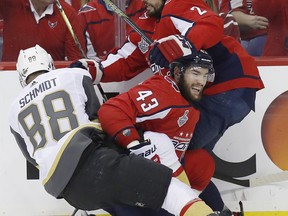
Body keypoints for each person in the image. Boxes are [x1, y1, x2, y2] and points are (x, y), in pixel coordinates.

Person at [9, 45, 222, 216]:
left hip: (67, 190)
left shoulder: (13, 111)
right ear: (50, 65)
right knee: (167, 188)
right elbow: (99, 115)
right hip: (93, 162)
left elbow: (32, 158)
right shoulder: (71, 75)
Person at [98, 49, 229, 216]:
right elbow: (111, 109)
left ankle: (218, 211)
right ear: (177, 72)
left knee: (201, 163)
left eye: (205, 75)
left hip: (160, 170)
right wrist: (135, 145)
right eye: (195, 73)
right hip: (132, 176)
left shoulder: (185, 96)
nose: (201, 81)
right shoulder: (162, 92)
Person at [0, 0, 86, 61]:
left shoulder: (68, 14)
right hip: (10, 77)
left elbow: (77, 62)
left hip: (52, 80)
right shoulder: (10, 4)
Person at [78, 0, 146, 59]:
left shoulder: (145, 7)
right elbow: (88, 62)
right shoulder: (87, 14)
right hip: (103, 70)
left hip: (143, 70)